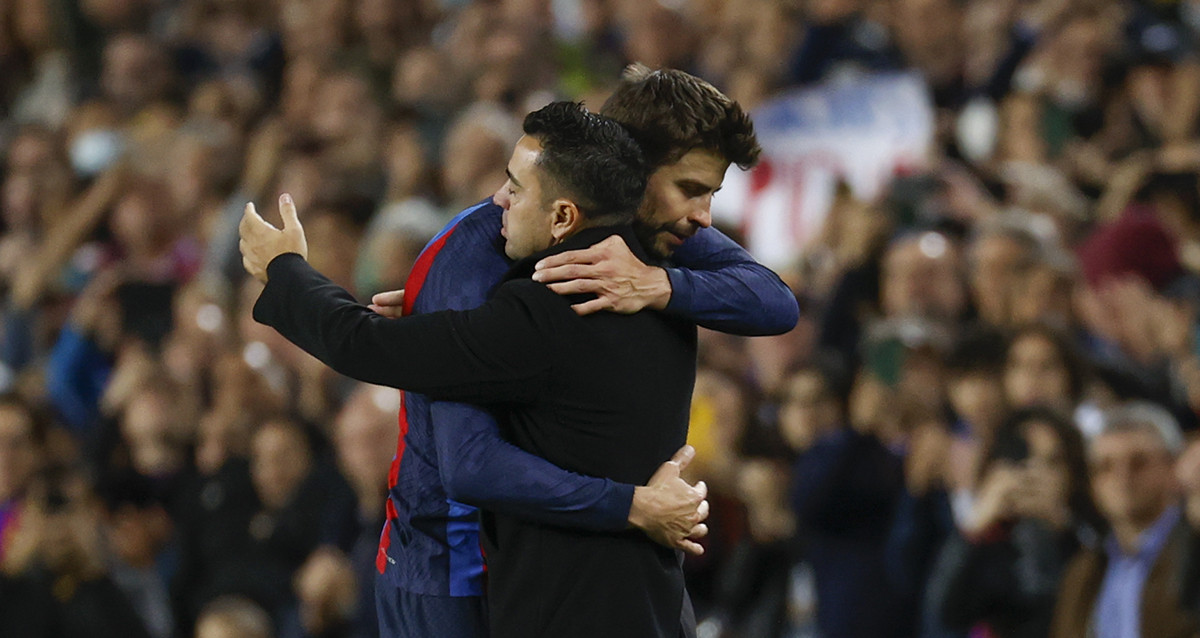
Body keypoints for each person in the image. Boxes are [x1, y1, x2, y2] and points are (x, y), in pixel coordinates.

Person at [364, 66, 797, 637]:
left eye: (711, 194)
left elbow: (775, 303)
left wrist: (659, 285)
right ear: (629, 168)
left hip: (571, 564)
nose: (704, 217)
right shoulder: (478, 257)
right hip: (450, 570)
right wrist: (633, 505)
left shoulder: (649, 232)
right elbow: (469, 465)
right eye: (691, 189)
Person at [241, 101, 701, 637]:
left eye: (516, 187)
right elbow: (773, 300)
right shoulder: (671, 291)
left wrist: (284, 271)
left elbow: (368, 349)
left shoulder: (529, 318)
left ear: (562, 216)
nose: (499, 200)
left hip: (534, 599)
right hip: (655, 599)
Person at [1049, 401, 1200, 638]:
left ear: (1173, 468)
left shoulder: (1194, 547)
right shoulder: (1081, 572)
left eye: (1138, 463)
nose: (1122, 478)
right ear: (1092, 483)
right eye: (1105, 467)